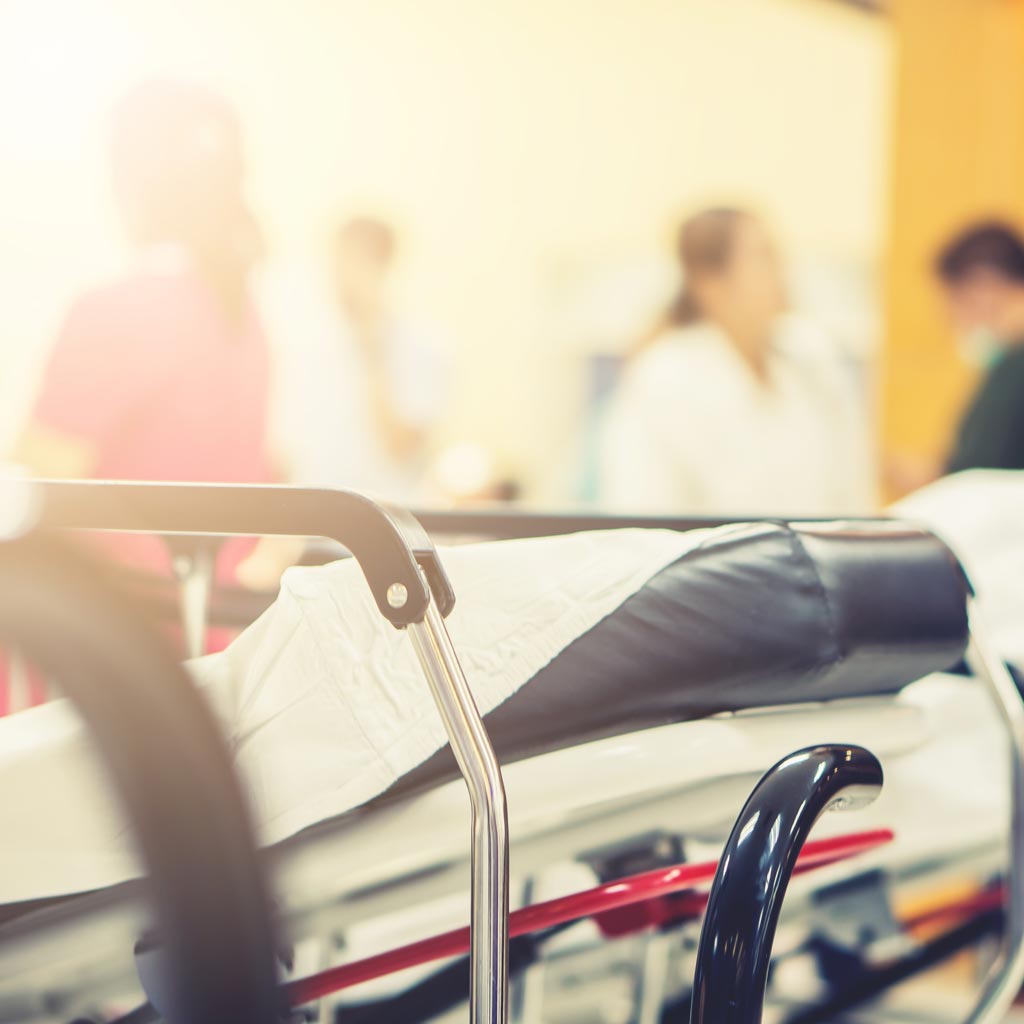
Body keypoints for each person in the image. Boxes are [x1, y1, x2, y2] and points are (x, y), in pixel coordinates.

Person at [14, 80, 285, 616]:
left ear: (128, 180)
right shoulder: (240, 312)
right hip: (206, 635)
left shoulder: (120, 309)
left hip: (110, 643)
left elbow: (29, 493)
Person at [600, 208, 873, 515]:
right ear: (710, 282)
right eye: (764, 257)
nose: (783, 271)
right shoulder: (663, 376)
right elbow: (644, 507)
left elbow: (849, 486)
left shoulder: (811, 357)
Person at [273, 216, 447, 502]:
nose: (339, 274)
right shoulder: (304, 343)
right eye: (336, 261)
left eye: (353, 262)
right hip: (311, 519)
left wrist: (372, 352)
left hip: (386, 518)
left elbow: (401, 446)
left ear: (382, 265)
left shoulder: (423, 345)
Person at [936, 221, 1024, 474]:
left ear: (984, 285)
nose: (957, 319)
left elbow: (972, 469)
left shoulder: (1014, 368)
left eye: (958, 303)